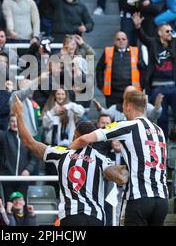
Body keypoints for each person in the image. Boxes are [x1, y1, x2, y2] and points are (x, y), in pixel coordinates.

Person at [12, 95, 129, 226]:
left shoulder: (61, 153)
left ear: (75, 135)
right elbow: (121, 178)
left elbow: (29, 143)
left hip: (71, 217)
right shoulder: (101, 159)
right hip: (95, 217)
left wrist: (19, 114)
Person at [71, 89, 168, 226]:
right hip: (162, 199)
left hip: (139, 198)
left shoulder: (127, 125)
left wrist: (68, 152)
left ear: (128, 106)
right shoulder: (159, 130)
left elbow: (86, 138)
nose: (123, 111)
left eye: (123, 107)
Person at [0, 111, 36, 202]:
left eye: (17, 121)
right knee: (9, 205)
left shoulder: (27, 138)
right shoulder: (5, 136)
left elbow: (33, 158)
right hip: (7, 177)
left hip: (23, 178)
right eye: (12, 121)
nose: (15, 124)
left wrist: (28, 170)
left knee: (22, 205)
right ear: (9, 123)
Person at [96, 31, 145, 107]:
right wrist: (101, 85)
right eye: (118, 39)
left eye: (123, 39)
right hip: (112, 93)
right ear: (115, 41)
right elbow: (99, 69)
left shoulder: (135, 51)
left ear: (127, 40)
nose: (121, 41)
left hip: (131, 91)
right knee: (113, 116)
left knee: (131, 115)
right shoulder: (108, 51)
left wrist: (142, 85)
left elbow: (143, 69)